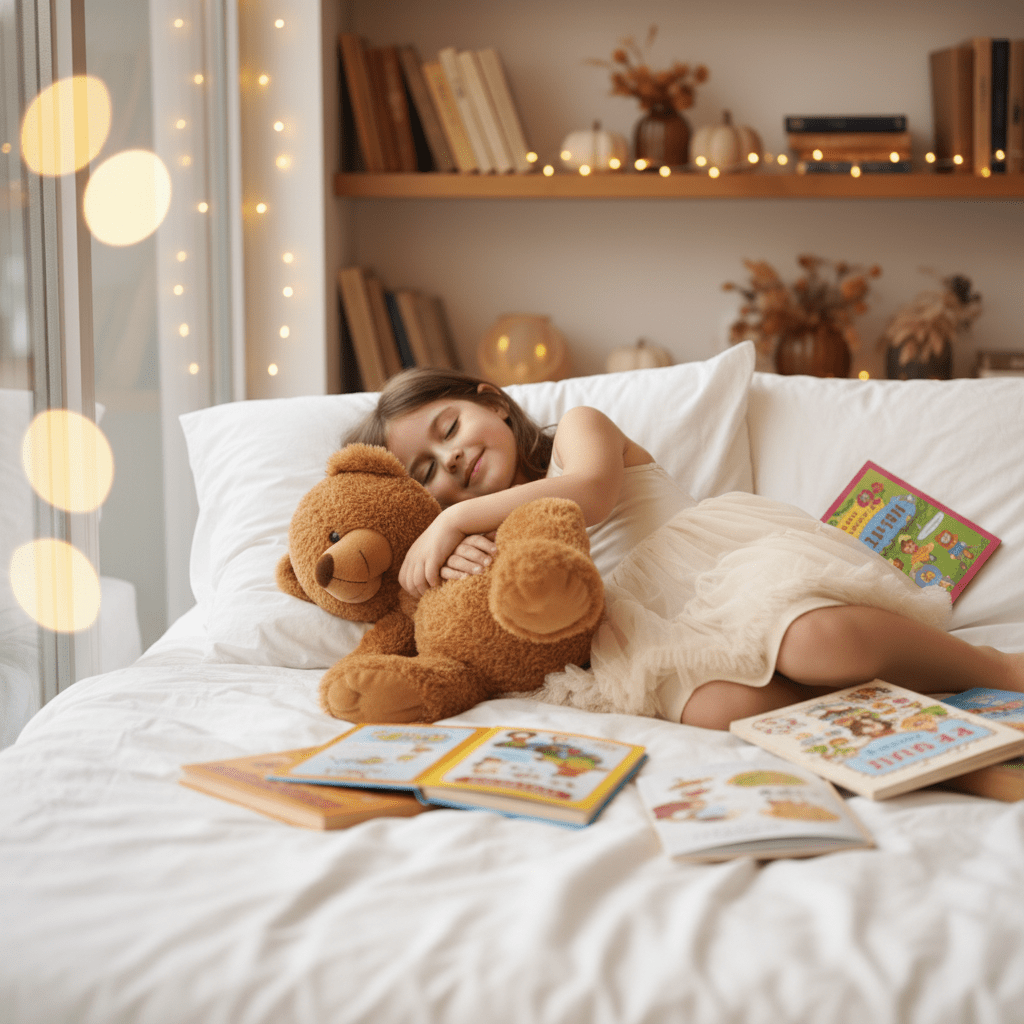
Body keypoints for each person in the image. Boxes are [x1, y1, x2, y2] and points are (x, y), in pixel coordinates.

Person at [346, 368, 1024, 730]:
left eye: (448, 427)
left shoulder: (579, 430)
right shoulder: (479, 537)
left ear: (491, 402)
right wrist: (438, 565)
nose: (451, 457)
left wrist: (448, 525)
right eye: (426, 471)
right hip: (643, 628)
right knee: (727, 710)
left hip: (716, 570)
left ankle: (992, 668)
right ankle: (890, 725)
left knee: (818, 643)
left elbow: (590, 494)